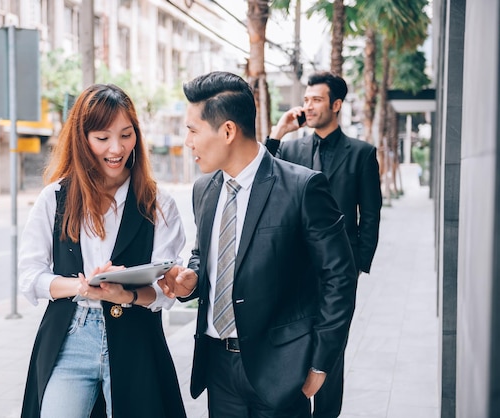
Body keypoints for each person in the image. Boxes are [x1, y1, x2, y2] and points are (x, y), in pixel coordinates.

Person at [159, 71, 357, 417]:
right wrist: (191, 279)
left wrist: (320, 364)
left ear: (228, 131)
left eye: (192, 130)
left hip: (281, 368)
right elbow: (202, 256)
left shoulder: (302, 188)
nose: (187, 141)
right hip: (218, 369)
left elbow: (339, 279)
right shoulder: (204, 190)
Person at [19, 83, 187, 418]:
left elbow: (164, 292)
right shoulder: (55, 198)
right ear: (82, 139)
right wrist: (82, 287)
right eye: (103, 137)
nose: (116, 148)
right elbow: (30, 275)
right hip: (70, 335)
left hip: (136, 338)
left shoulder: (158, 203)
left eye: (126, 135)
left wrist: (126, 296)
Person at [266, 71, 382, 418]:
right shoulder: (290, 148)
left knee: (332, 350)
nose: (308, 106)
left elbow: (371, 215)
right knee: (296, 345)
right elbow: (262, 179)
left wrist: (357, 264)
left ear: (336, 105)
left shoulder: (361, 153)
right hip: (294, 269)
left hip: (338, 271)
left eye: (316, 100)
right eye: (306, 100)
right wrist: (277, 133)